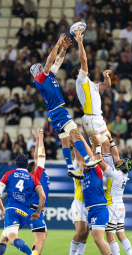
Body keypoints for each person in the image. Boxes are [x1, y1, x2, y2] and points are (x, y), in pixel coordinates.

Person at [30, 33, 101, 180]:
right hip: (58, 111)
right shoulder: (40, 78)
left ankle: (70, 167)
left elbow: (57, 62)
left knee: (65, 140)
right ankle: (88, 159)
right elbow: (50, 62)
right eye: (42, 67)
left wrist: (64, 49)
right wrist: (57, 44)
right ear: (39, 70)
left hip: (53, 114)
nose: (45, 67)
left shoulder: (48, 77)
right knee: (75, 133)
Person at [0, 154, 46, 255]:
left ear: (16, 164)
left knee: (12, 240)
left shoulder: (9, 174)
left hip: (11, 210)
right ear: (27, 165)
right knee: (3, 239)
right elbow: (42, 196)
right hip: (24, 212)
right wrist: (38, 212)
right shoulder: (32, 178)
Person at [92, 134, 132, 255]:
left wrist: (99, 145)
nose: (119, 159)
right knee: (121, 234)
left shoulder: (114, 173)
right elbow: (116, 155)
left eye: (121, 160)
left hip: (111, 206)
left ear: (121, 165)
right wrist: (111, 140)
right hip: (121, 206)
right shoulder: (124, 174)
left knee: (110, 235)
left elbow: (100, 161)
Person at [71, 31, 112, 154]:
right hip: (91, 118)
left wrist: (106, 76)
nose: (85, 70)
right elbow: (84, 60)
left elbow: (106, 85)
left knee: (106, 146)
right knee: (96, 147)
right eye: (82, 70)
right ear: (78, 74)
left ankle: (105, 171)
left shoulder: (91, 85)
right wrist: (80, 42)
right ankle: (94, 171)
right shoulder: (80, 80)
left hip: (98, 117)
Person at [25, 128, 50, 255]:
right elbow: (40, 156)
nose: (38, 163)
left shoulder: (38, 173)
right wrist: (41, 137)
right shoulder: (37, 175)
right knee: (39, 238)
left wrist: (37, 141)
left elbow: (36, 159)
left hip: (35, 208)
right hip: (35, 209)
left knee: (43, 235)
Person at [67, 140, 92, 255]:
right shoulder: (76, 165)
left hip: (88, 203)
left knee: (86, 233)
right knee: (81, 231)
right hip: (79, 201)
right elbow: (78, 157)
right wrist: (76, 144)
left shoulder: (89, 164)